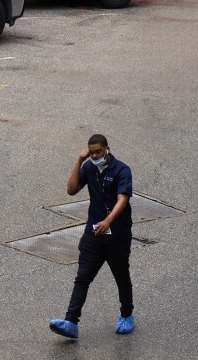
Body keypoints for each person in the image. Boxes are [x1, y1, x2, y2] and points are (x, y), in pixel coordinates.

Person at [49, 134, 135, 339]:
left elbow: (122, 200)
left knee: (122, 278)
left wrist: (108, 222)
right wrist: (79, 161)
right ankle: (71, 322)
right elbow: (71, 190)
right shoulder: (88, 167)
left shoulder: (122, 170)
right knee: (82, 278)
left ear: (107, 149)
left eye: (98, 151)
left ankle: (127, 315)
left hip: (118, 236)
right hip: (94, 234)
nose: (95, 155)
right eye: (92, 152)